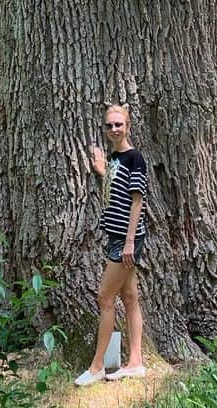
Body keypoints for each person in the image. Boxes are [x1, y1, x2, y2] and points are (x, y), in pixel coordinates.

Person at [74, 103, 148, 386]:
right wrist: (102, 169)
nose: (114, 129)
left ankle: (96, 367)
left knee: (105, 298)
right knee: (129, 298)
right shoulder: (116, 157)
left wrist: (129, 242)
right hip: (116, 237)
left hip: (126, 241)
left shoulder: (134, 158)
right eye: (109, 125)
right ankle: (135, 363)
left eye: (119, 124)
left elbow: (137, 201)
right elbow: (116, 190)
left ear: (127, 125)